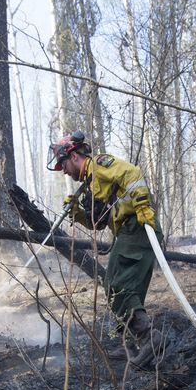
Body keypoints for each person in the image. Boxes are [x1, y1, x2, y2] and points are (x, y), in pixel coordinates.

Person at [48, 131, 164, 368]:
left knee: (117, 286)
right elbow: (98, 223)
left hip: (138, 225)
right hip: (128, 231)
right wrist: (77, 213)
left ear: (74, 156)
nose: (65, 172)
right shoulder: (91, 184)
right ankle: (130, 345)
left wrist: (142, 205)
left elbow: (132, 174)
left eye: (64, 165)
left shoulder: (100, 164)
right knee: (119, 287)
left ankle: (150, 339)